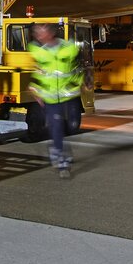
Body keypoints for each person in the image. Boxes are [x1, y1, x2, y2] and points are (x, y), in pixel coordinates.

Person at [27, 22, 82, 178]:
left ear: (51, 33)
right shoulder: (38, 51)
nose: (38, 36)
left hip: (70, 95)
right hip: (50, 97)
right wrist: (35, 90)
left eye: (40, 32)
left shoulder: (70, 49)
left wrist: (82, 83)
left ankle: (61, 147)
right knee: (56, 126)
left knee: (72, 127)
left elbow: (78, 69)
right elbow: (38, 71)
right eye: (36, 33)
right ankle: (60, 159)